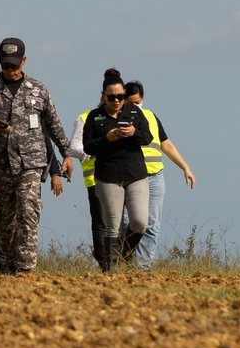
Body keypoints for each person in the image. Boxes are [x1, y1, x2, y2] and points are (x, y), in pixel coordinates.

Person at [0, 38, 74, 274]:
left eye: (15, 65)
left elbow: (54, 124)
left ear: (24, 61)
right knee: (4, 217)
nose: (11, 70)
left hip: (31, 162)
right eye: (6, 66)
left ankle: (25, 270)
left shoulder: (38, 89)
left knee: (28, 209)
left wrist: (66, 154)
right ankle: (6, 266)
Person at [82, 69, 153, 269]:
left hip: (135, 174)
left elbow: (147, 138)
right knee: (112, 226)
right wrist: (107, 138)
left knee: (140, 221)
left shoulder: (134, 112)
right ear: (103, 96)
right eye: (111, 97)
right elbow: (88, 146)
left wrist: (133, 132)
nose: (116, 101)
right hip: (108, 176)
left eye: (120, 97)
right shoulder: (95, 117)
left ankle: (123, 254)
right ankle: (111, 270)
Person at [124, 80, 196, 269]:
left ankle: (142, 268)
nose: (135, 106)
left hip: (155, 177)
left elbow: (166, 144)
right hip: (130, 177)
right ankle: (121, 261)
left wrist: (185, 167)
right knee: (127, 223)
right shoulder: (119, 119)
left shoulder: (151, 117)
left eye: (138, 101)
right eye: (131, 102)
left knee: (152, 224)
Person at [69, 101, 109, 271]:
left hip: (120, 178)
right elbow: (74, 147)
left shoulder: (121, 117)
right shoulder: (85, 118)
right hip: (94, 178)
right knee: (101, 223)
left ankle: (117, 259)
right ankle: (105, 264)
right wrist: (92, 150)